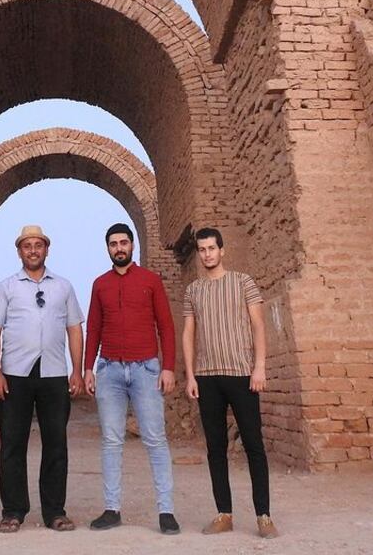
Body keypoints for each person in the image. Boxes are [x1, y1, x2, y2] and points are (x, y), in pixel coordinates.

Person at [0, 225, 84, 533]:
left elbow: (74, 329)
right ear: (19, 251)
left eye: (38, 245)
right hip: (15, 374)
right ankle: (13, 510)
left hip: (54, 374)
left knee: (56, 444)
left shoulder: (64, 287)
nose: (32, 250)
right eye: (27, 245)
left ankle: (54, 511)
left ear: (46, 249)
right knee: (13, 444)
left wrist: (77, 370)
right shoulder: (6, 287)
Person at [182, 227, 279, 539]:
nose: (208, 254)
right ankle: (224, 513)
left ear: (222, 250)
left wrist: (259, 368)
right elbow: (188, 333)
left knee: (254, 446)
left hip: (241, 375)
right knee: (215, 448)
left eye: (212, 248)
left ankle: (264, 516)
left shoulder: (242, 282)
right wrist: (191, 375)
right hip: (208, 377)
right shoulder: (193, 290)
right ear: (198, 253)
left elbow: (258, 325)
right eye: (202, 249)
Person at [84, 223, 180, 535]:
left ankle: (166, 511)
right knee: (112, 441)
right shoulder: (100, 284)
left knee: (155, 439)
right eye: (113, 244)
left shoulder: (150, 281)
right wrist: (88, 368)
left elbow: (165, 326)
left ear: (132, 245)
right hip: (109, 369)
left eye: (124, 242)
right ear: (108, 248)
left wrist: (168, 368)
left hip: (146, 370)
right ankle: (112, 509)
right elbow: (94, 328)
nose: (119, 248)